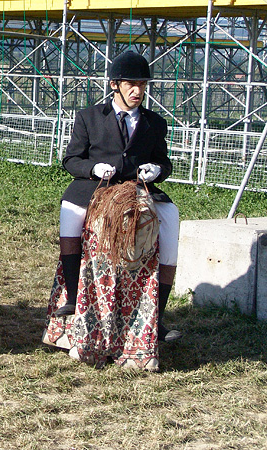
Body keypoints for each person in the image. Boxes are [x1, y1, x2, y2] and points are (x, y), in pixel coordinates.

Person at [54, 50, 182, 342]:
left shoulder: (155, 122)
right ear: (115, 84)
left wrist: (156, 170)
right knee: (69, 214)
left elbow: (164, 162)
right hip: (95, 187)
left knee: (171, 217)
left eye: (143, 85)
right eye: (131, 85)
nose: (138, 91)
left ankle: (157, 317)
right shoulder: (88, 117)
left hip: (138, 188)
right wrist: (93, 168)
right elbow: (71, 160)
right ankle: (74, 295)